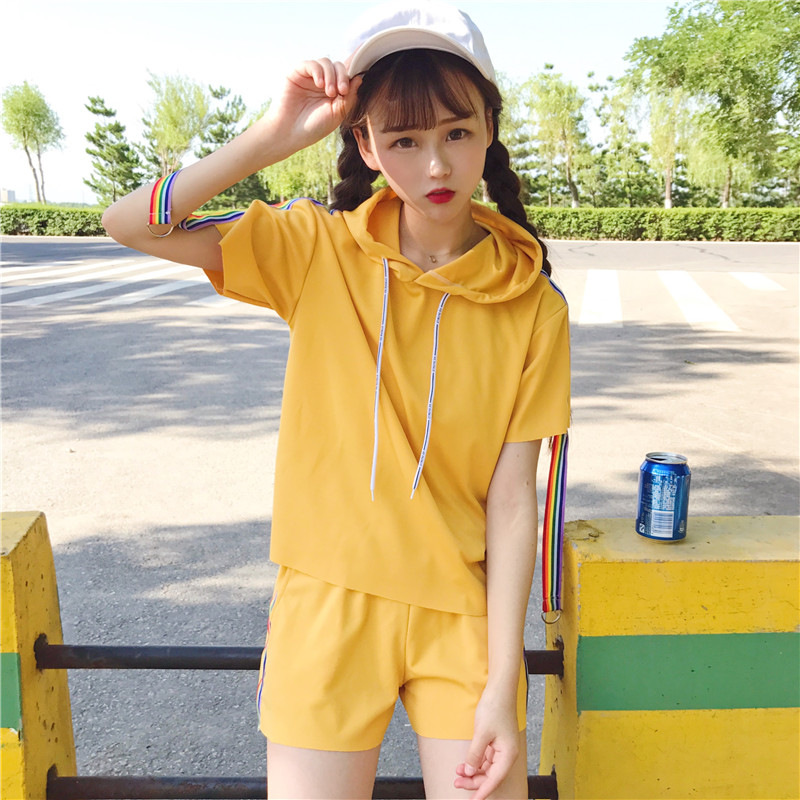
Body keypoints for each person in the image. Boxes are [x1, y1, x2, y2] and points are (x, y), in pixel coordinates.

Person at [103, 3, 570, 797]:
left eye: (457, 132)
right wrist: (274, 136)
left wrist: (504, 678)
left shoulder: (533, 301)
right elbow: (130, 224)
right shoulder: (315, 247)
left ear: (490, 129)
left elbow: (514, 498)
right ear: (365, 144)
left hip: (461, 616)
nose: (436, 166)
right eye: (404, 140)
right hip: (325, 604)